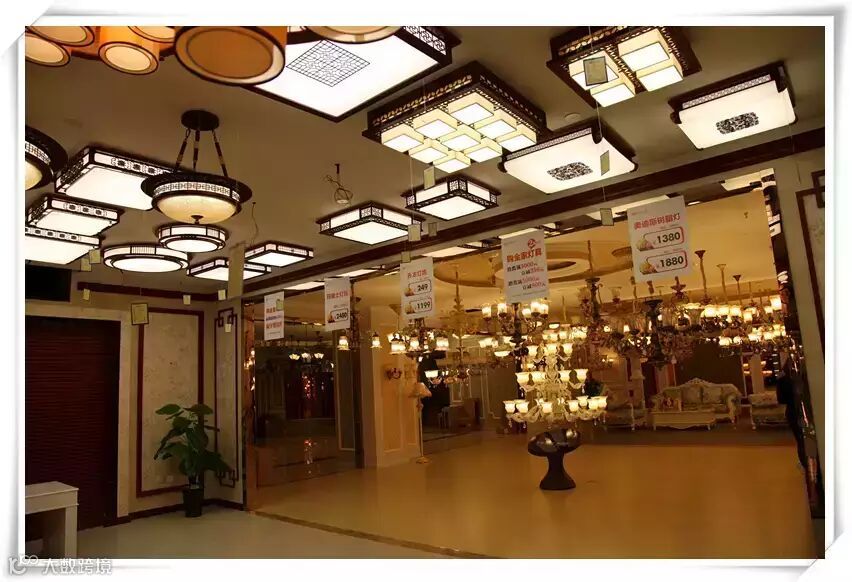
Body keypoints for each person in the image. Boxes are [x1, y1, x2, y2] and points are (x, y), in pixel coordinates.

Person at [776, 353, 806, 469]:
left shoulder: (782, 376)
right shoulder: (804, 373)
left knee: (801, 440)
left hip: (792, 410)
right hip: (803, 409)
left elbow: (781, 399)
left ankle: (805, 465)